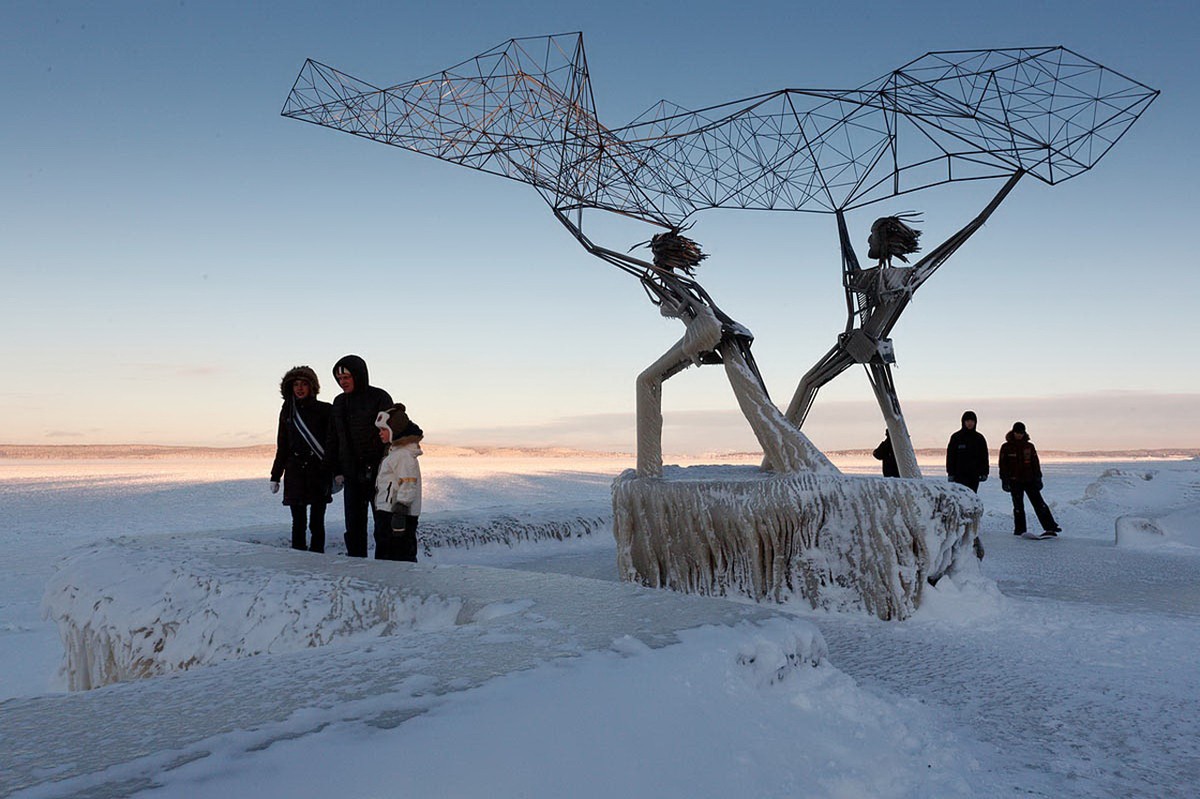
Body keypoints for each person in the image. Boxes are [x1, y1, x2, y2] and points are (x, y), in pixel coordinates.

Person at [326, 354, 421, 557]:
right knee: (353, 527)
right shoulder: (339, 402)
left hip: (379, 476)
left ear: (359, 375)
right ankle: (357, 567)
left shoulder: (379, 397)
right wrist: (336, 469)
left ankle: (383, 569)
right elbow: (334, 438)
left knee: (383, 527)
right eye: (339, 379)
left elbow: (391, 432)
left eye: (347, 377)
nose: (343, 382)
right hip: (351, 476)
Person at [269, 366, 333, 552]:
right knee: (298, 523)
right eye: (296, 384)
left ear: (312, 387)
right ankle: (298, 562)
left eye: (304, 384)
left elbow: (332, 444)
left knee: (317, 523)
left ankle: (317, 558)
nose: (300, 388)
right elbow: (283, 446)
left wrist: (336, 471)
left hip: (318, 471)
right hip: (295, 472)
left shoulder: (325, 410)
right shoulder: (287, 412)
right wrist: (275, 475)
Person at [373, 403, 423, 562]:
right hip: (389, 510)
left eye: (383, 430)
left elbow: (408, 483)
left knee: (398, 553)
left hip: (395, 514)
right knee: (388, 552)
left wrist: (400, 510)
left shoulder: (403, 455)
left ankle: (399, 582)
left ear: (395, 430)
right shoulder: (395, 452)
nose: (380, 433)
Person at [999, 421, 1061, 538]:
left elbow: (1035, 463)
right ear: (1013, 432)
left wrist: (1038, 478)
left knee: (1039, 504)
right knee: (1018, 507)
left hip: (1030, 480)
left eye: (1021, 433)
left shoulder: (1029, 447)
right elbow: (1003, 465)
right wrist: (1004, 480)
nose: (1019, 435)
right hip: (1014, 481)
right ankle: (1020, 530)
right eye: (1017, 433)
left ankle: (1050, 527)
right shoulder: (1006, 447)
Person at [946, 410, 989, 493]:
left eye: (972, 421)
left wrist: (985, 472)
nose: (970, 423)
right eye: (968, 421)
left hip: (974, 475)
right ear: (963, 422)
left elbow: (984, 456)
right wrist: (950, 473)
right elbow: (951, 456)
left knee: (972, 498)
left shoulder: (979, 438)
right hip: (959, 476)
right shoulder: (956, 437)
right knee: (960, 498)